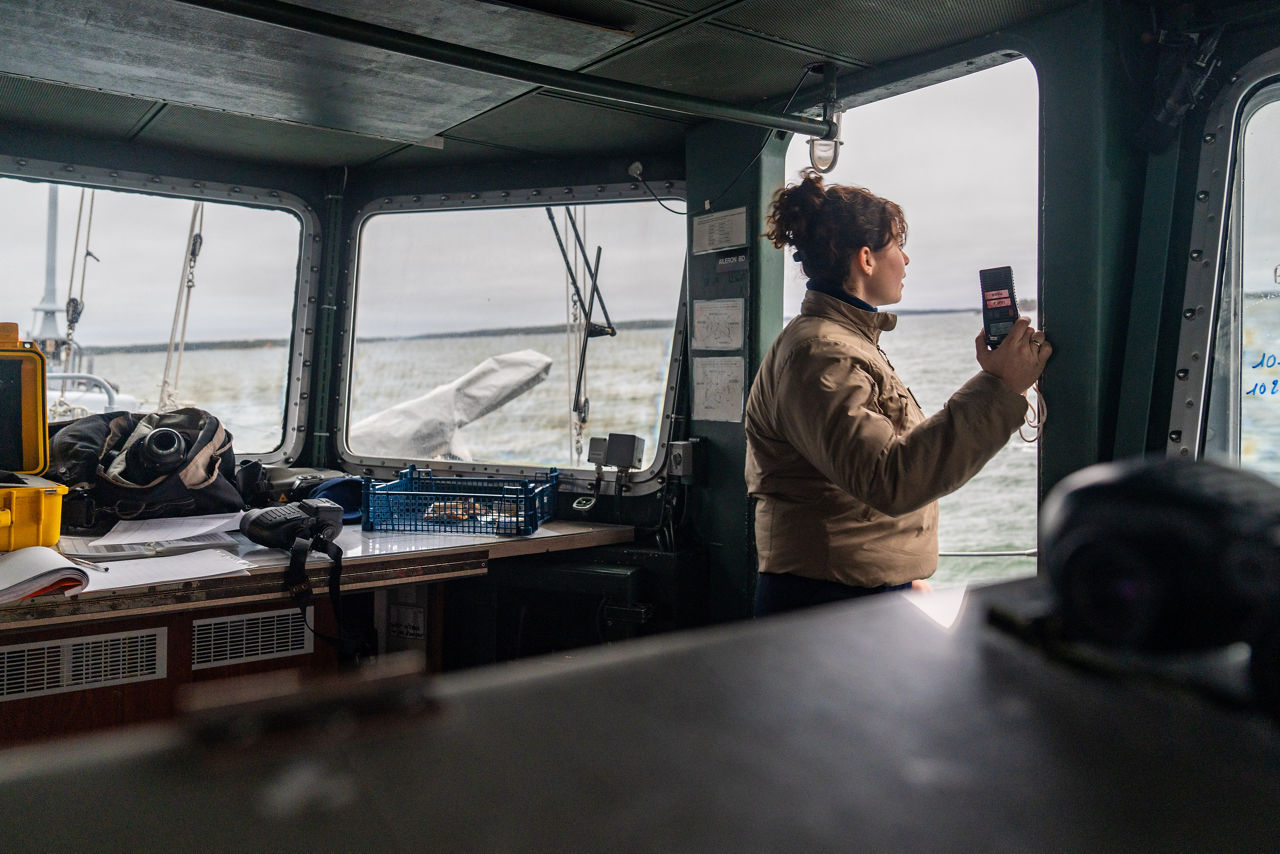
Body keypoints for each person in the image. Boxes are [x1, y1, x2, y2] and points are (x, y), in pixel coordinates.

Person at [745, 170, 1051, 617]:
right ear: (866, 259)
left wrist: (902, 578)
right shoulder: (820, 353)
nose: (906, 261)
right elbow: (888, 478)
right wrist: (1001, 386)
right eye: (897, 247)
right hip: (827, 599)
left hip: (854, 589)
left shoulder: (840, 342)